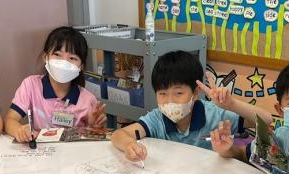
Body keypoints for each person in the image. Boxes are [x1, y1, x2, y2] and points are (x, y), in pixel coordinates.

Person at [110, 50, 271, 161]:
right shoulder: (157, 118)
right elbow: (119, 134)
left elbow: (266, 120)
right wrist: (129, 145)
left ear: (195, 93)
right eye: (162, 94)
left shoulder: (213, 114)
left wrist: (232, 104)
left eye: (178, 93)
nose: (170, 101)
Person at [5, 26, 106, 143]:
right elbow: (9, 120)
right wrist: (21, 131)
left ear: (81, 66)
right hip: (41, 151)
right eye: (57, 54)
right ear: (45, 57)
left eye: (72, 58)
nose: (64, 62)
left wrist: (94, 127)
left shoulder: (88, 100)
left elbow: (94, 139)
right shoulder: (31, 85)